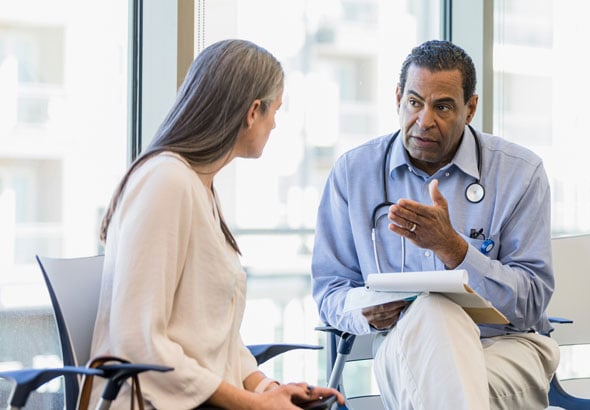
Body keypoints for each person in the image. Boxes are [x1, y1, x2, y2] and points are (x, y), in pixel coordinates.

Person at [91, 39, 344, 409]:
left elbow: (214, 339)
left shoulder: (198, 186)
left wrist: (266, 388)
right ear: (253, 111)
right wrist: (253, 404)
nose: (275, 123)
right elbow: (140, 340)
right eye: (276, 110)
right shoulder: (167, 181)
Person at [311, 39, 559, 409]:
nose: (424, 121)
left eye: (442, 107)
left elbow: (531, 304)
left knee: (436, 381)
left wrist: (453, 249)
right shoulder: (353, 173)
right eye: (414, 102)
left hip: (509, 346)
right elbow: (330, 289)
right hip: (404, 343)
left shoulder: (519, 173)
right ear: (398, 98)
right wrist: (365, 310)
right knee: (431, 316)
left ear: (470, 108)